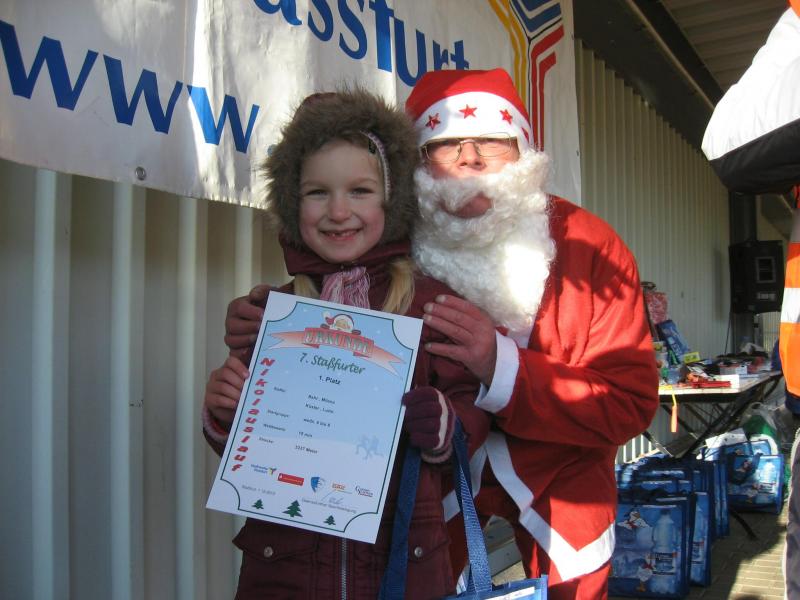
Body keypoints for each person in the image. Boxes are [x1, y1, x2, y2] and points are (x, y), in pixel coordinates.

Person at [225, 69, 660, 599]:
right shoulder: (393, 230)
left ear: (524, 151)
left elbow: (629, 404)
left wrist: (500, 366)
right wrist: (266, 319)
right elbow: (328, 266)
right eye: (445, 145)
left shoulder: (588, 245)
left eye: (492, 141)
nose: (469, 159)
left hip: (563, 478)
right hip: (426, 494)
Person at [202, 88, 489, 599]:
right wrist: (226, 414)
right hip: (283, 571)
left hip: (403, 567)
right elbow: (247, 449)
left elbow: (471, 407)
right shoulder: (274, 313)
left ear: (392, 200)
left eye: (360, 190)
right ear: (291, 204)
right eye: (317, 192)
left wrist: (449, 426)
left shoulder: (430, 305)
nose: (338, 211)